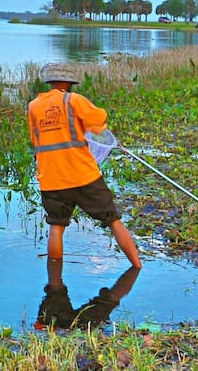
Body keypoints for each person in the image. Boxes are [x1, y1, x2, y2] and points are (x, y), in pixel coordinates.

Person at [26, 63, 142, 268]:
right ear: (69, 83)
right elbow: (99, 120)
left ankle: (55, 284)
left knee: (56, 226)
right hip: (83, 176)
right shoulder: (74, 101)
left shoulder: (33, 107)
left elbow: (36, 141)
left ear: (50, 81)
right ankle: (137, 266)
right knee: (113, 220)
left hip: (52, 179)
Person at [35, 259, 141, 331]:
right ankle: (136, 266)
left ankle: (136, 266)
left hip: (53, 328)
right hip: (84, 329)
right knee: (109, 300)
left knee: (55, 289)